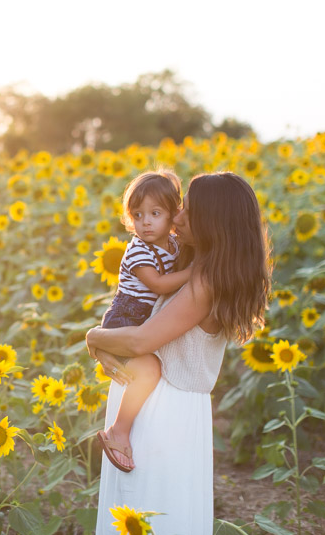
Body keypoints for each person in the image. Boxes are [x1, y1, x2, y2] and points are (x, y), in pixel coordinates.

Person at [86, 172, 271, 535]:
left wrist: (94, 336)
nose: (178, 216)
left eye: (188, 208)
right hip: (153, 401)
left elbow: (141, 343)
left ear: (213, 222)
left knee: (149, 514)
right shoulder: (198, 269)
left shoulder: (205, 281)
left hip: (164, 412)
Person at [96, 170, 193, 474]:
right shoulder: (138, 249)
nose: (145, 222)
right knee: (148, 369)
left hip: (144, 320)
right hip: (126, 319)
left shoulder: (175, 245)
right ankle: (118, 431)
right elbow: (160, 285)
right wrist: (198, 272)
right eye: (137, 214)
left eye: (155, 213)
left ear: (173, 214)